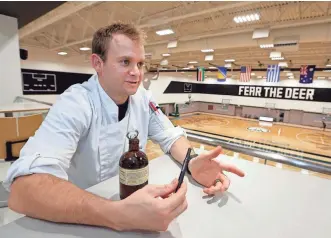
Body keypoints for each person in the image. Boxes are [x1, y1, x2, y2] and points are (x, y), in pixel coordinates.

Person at [3, 22, 245, 232]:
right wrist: (118, 215)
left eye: (140, 63)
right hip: (76, 216)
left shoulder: (142, 98)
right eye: (125, 62)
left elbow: (170, 137)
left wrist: (192, 164)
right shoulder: (76, 102)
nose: (136, 73)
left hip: (129, 205)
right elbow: (24, 190)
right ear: (98, 63)